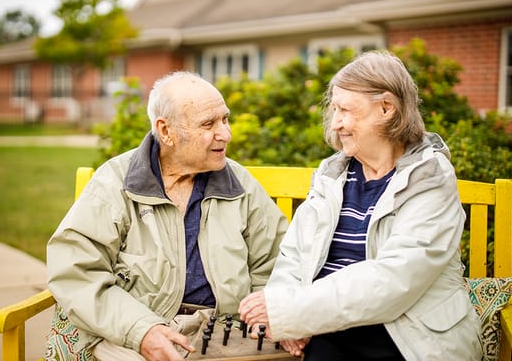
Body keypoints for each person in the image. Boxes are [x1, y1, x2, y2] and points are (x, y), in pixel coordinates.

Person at [238, 51, 483, 360]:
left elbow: (395, 278)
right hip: (328, 329)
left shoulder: (430, 178)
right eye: (335, 109)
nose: (337, 122)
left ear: (386, 108)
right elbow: (294, 255)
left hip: (407, 336)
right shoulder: (332, 175)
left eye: (346, 110)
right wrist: (285, 319)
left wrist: (292, 312)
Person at [46, 71, 288, 361]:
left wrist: (270, 312)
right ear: (165, 131)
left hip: (222, 334)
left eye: (225, 119)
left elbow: (277, 264)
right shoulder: (114, 183)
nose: (225, 133)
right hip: (133, 330)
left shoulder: (240, 186)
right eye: (208, 124)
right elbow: (77, 271)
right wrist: (141, 330)